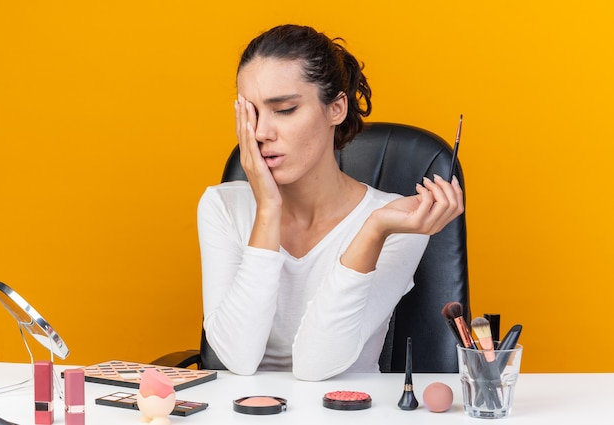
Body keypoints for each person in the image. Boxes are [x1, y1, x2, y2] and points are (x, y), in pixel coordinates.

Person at [198, 24, 464, 381]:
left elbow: (315, 366)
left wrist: (373, 231)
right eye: (251, 114)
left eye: (285, 109)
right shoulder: (222, 207)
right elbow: (237, 358)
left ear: (336, 108)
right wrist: (268, 211)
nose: (261, 133)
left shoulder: (395, 220)